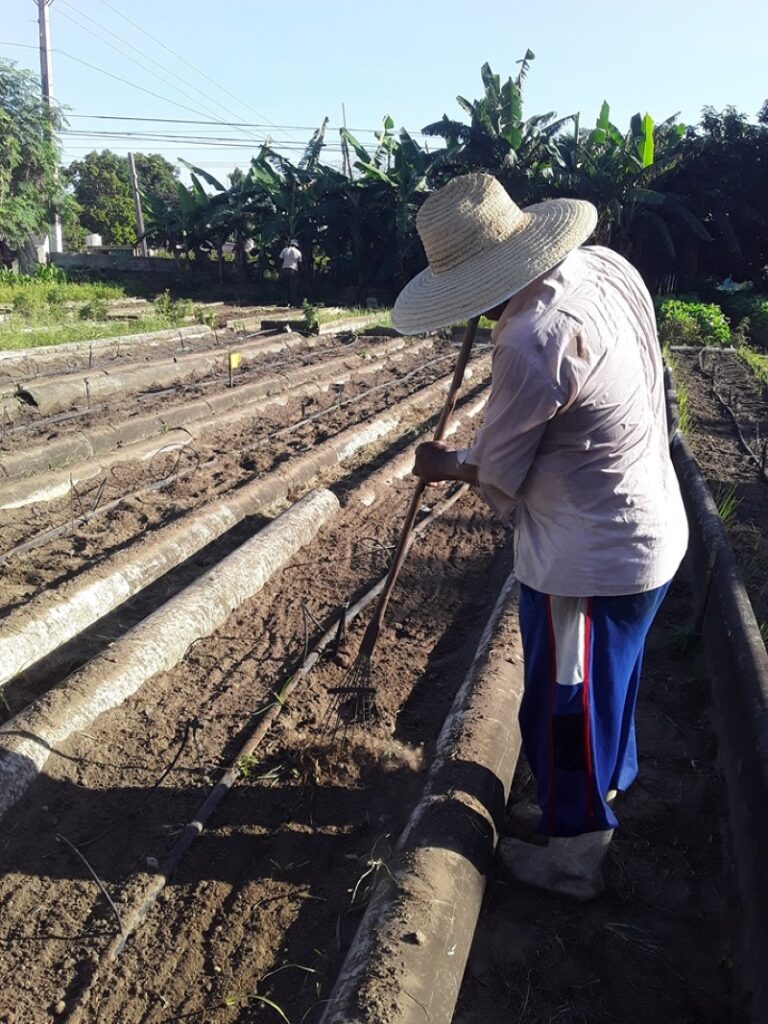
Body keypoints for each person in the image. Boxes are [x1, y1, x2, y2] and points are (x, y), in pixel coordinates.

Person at [391, 173, 688, 901]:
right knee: (606, 685)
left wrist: (444, 463)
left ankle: (574, 856)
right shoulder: (607, 267)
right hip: (649, 523)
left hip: (590, 556)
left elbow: (501, 470)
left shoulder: (530, 339)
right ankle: (585, 804)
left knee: (568, 704)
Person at [278, 238, 303, 307]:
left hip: (284, 270)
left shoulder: (285, 250)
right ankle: (293, 303)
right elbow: (300, 263)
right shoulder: (298, 252)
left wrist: (280, 270)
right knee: (293, 288)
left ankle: (284, 301)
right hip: (293, 271)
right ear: (296, 245)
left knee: (284, 287)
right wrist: (301, 273)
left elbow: (280, 259)